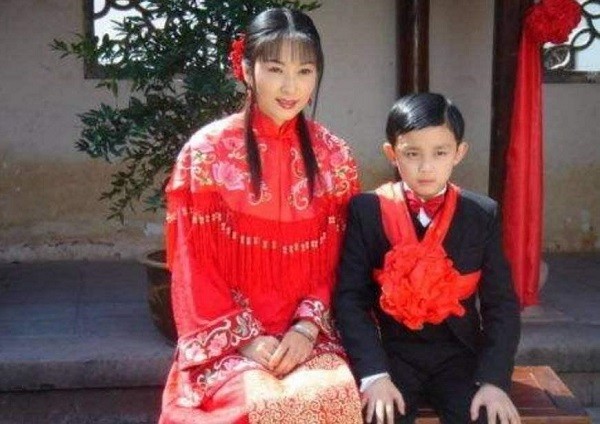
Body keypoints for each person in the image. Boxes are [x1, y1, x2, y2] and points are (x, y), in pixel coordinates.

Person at [158, 7, 363, 424]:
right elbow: (193, 267)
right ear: (247, 70)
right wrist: (245, 339)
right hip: (227, 340)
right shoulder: (206, 153)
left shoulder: (335, 157)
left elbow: (343, 260)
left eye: (305, 71)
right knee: (245, 407)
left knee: (332, 396)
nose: (291, 87)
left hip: (309, 338)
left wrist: (307, 328)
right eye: (275, 69)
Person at [334, 93, 521, 424]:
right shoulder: (368, 210)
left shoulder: (481, 214)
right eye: (412, 153)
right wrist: (374, 374)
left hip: (460, 357)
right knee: (377, 417)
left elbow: (501, 305)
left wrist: (494, 380)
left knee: (487, 417)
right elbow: (350, 299)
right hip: (391, 355)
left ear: (459, 153)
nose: (426, 167)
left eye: (440, 152)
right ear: (391, 153)